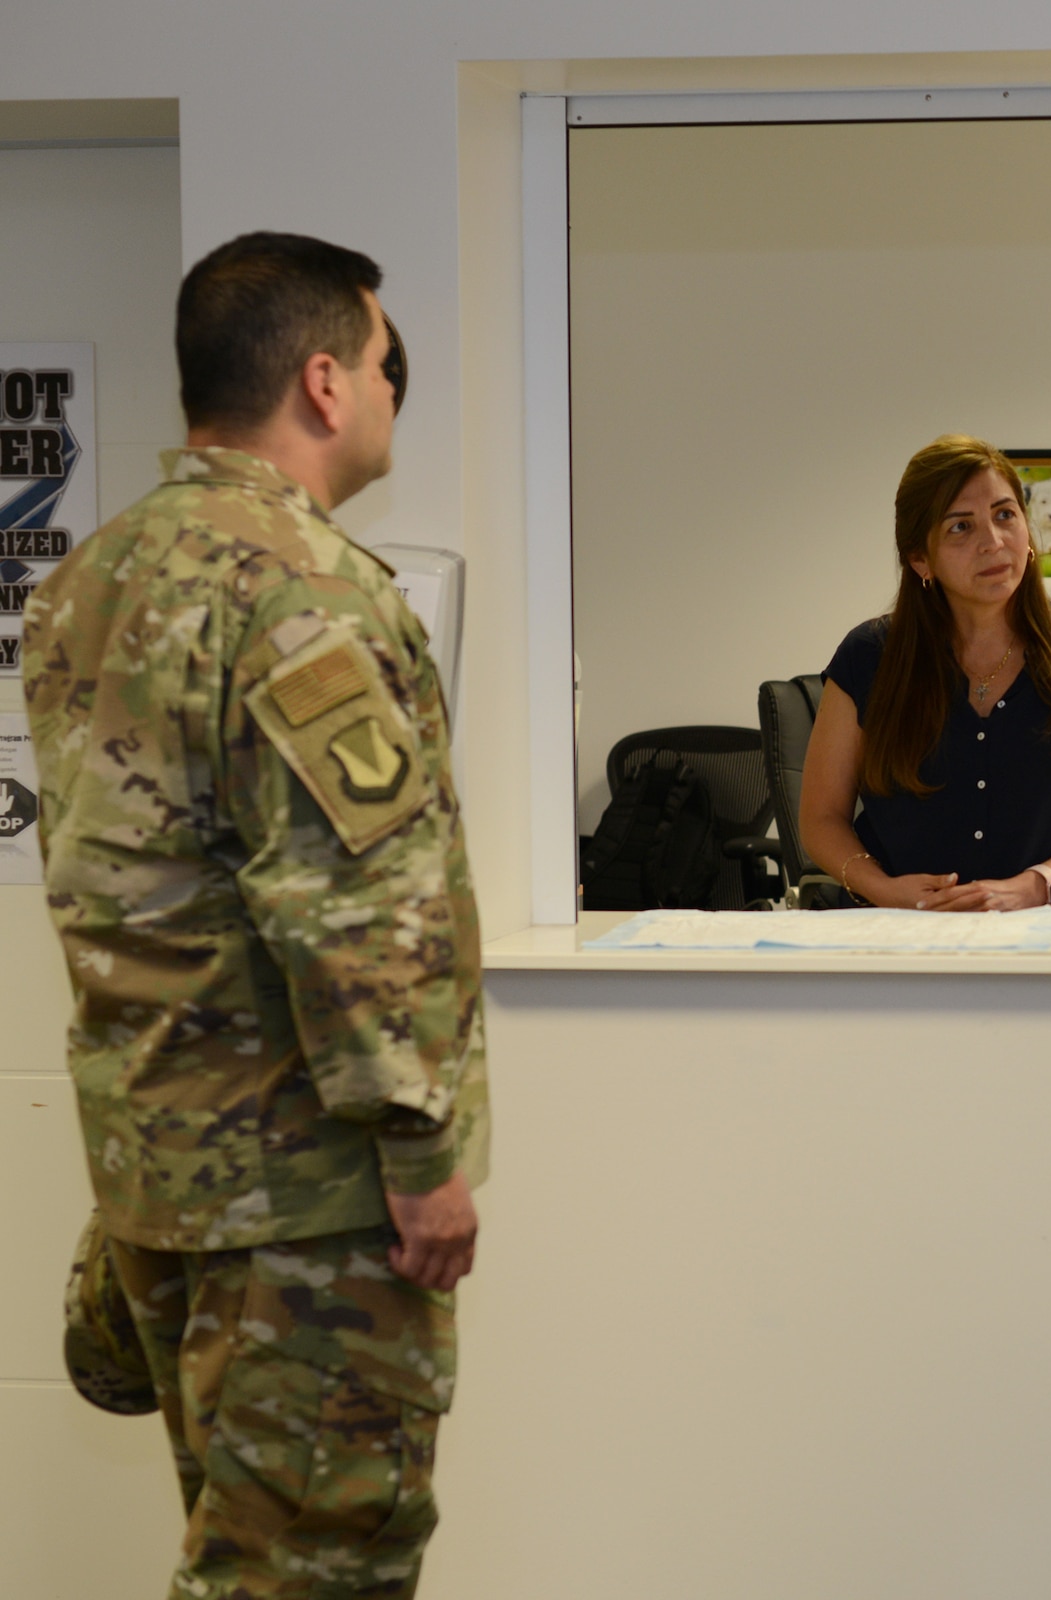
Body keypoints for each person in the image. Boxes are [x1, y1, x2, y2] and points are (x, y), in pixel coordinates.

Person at [22, 232, 487, 1599]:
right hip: (305, 1196)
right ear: (328, 383)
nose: (401, 394)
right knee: (320, 1566)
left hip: (165, 1170)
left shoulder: (90, 579)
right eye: (394, 365)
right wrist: (419, 1148)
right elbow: (353, 898)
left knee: (242, 1545)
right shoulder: (304, 589)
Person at [801, 435, 1051, 910]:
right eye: (960, 527)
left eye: (1005, 515)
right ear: (920, 558)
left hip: (1050, 927)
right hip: (898, 930)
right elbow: (821, 819)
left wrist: (1034, 885)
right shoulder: (868, 657)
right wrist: (885, 889)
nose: (993, 542)